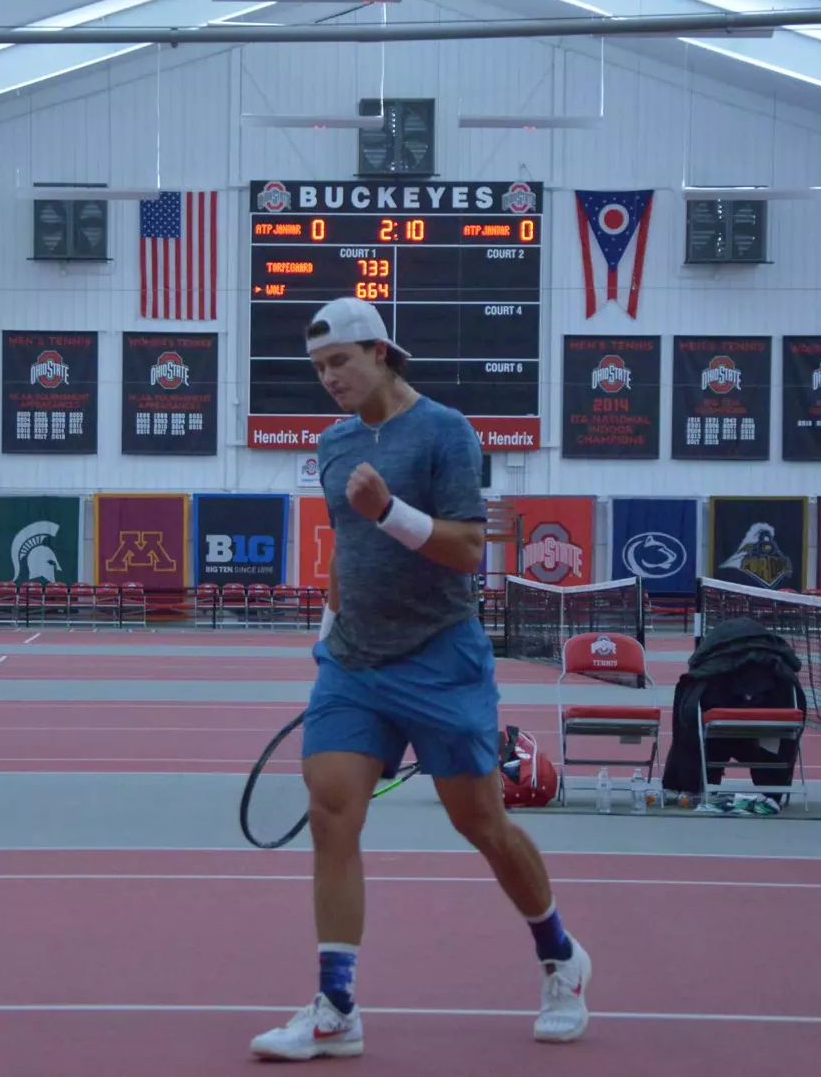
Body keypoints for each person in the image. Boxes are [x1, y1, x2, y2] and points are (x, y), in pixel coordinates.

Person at [249, 297, 591, 1061]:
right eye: (318, 368)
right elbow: (346, 548)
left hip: (442, 659)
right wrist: (329, 628)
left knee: (481, 825)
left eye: (339, 361)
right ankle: (336, 1008)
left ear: (380, 352)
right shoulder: (333, 444)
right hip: (354, 666)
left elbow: (471, 550)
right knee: (333, 813)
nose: (328, 378)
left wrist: (390, 509)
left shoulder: (446, 431)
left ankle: (561, 958)